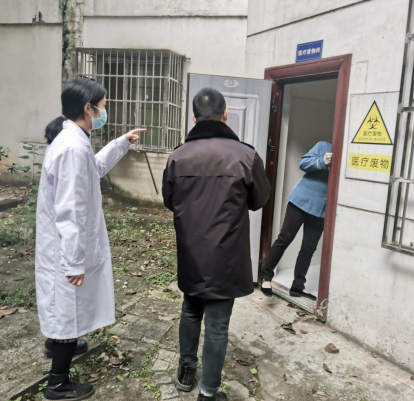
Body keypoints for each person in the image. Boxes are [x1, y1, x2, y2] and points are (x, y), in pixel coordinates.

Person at [35, 77, 146, 401]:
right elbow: (70, 210)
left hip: (62, 241)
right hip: (65, 244)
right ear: (88, 108)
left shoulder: (73, 138)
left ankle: (58, 341)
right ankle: (57, 384)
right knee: (67, 305)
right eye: (103, 106)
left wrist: (121, 143)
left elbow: (94, 168)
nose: (104, 112)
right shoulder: (72, 147)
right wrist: (73, 262)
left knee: (64, 305)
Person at [162, 88, 271, 401]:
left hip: (192, 251)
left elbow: (169, 201)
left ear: (193, 117)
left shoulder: (177, 156)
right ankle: (208, 393)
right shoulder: (246, 155)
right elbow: (259, 200)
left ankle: (186, 371)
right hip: (227, 256)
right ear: (225, 115)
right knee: (218, 324)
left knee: (191, 309)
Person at [260, 141, 333, 301]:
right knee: (284, 238)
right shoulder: (323, 146)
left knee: (309, 248)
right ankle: (266, 276)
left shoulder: (347, 158)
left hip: (321, 209)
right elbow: (303, 163)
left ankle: (298, 286)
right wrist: (322, 161)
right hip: (300, 201)